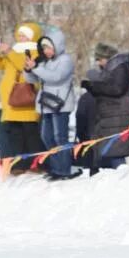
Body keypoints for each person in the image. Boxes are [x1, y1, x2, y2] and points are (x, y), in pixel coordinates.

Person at [23, 26, 80, 180]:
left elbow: (56, 78)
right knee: (46, 137)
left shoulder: (65, 60)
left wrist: (37, 69)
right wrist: (28, 70)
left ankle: (64, 169)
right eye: (44, 48)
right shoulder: (44, 62)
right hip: (46, 104)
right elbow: (34, 80)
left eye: (48, 47)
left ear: (57, 46)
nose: (46, 51)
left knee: (59, 137)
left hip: (60, 104)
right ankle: (56, 168)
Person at [0, 22, 44, 170]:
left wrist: (10, 52)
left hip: (27, 104)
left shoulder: (36, 52)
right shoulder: (14, 52)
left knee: (31, 138)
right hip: (11, 105)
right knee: (14, 139)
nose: (21, 38)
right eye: (19, 35)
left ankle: (35, 165)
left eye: (24, 35)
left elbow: (24, 66)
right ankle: (17, 166)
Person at [83, 43, 129, 172]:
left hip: (118, 116)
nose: (100, 64)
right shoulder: (112, 69)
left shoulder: (119, 68)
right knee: (108, 152)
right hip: (110, 116)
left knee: (115, 152)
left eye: (100, 60)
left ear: (107, 57)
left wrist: (93, 86)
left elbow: (117, 89)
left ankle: (119, 180)